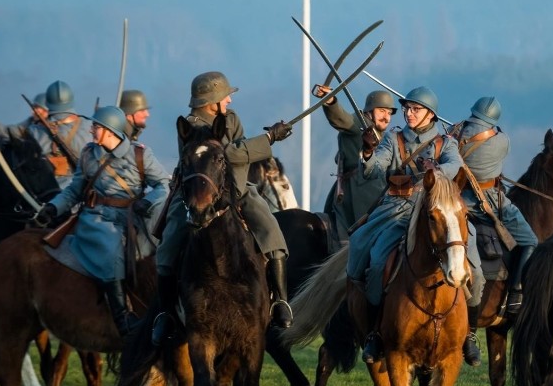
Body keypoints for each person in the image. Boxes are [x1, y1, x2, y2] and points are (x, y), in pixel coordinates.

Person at [152, 71, 294, 344]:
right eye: (225, 96)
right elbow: (226, 153)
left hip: (237, 188)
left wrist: (264, 141)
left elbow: (238, 154)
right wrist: (268, 139)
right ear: (211, 101)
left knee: (270, 227)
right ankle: (165, 313)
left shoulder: (232, 119)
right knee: (169, 242)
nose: (229, 99)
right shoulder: (191, 126)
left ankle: (280, 301)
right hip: (198, 194)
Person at [347, 86, 481, 364]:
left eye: (415, 109)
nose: (409, 113)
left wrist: (434, 171)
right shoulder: (392, 139)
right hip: (398, 210)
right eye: (407, 108)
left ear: (430, 114)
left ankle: (469, 333)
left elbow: (454, 166)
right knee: (373, 261)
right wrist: (369, 150)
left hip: (436, 210)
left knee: (475, 265)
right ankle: (375, 333)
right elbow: (373, 169)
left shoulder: (446, 143)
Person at [35, 106, 170, 341]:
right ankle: (122, 318)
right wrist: (54, 207)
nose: (91, 130)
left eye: (95, 126)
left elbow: (162, 185)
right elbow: (75, 190)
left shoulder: (140, 154)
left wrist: (146, 202)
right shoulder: (88, 154)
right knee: (110, 249)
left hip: (134, 216)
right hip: (98, 218)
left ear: (109, 130)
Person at [451, 97, 539, 366]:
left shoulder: (455, 132)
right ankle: (515, 292)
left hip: (458, 200)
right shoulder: (501, 141)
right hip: (488, 200)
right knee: (530, 240)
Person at [312, 85, 396, 240]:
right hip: (357, 189)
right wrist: (331, 101)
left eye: (389, 113)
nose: (387, 117)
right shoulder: (359, 122)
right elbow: (341, 118)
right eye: (382, 111)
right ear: (369, 111)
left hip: (377, 185)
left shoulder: (387, 136)